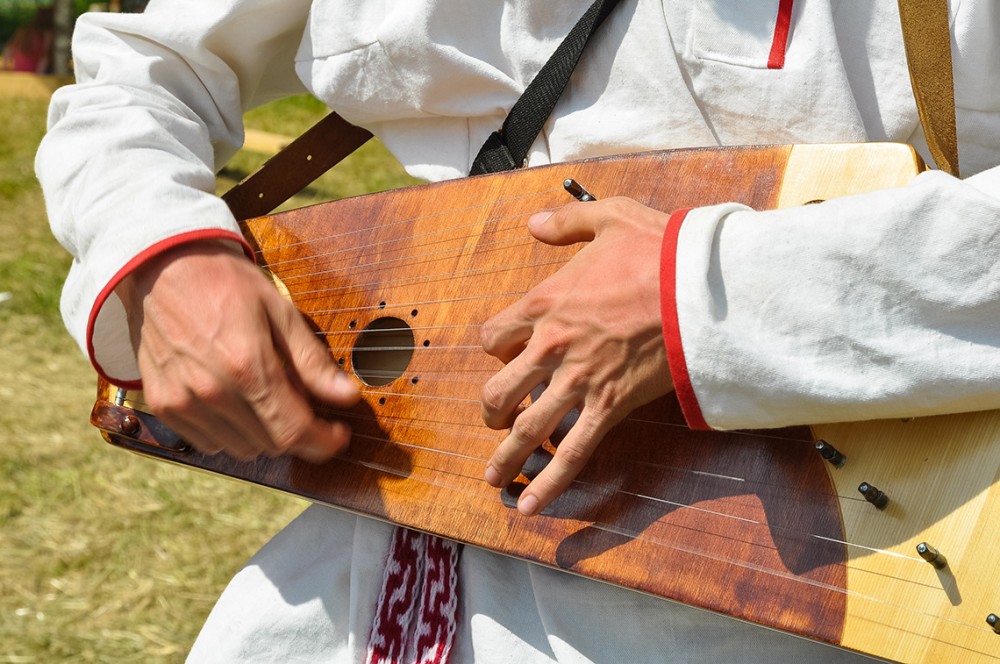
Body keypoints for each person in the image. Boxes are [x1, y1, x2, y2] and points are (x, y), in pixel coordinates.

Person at [35, 1, 1000, 662]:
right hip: (372, 568)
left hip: (797, 576)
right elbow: (142, 71)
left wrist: (705, 296)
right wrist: (162, 258)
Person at [1, 6, 54, 74]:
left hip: (19, 73)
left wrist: (5, 69)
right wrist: (38, 76)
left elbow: (7, 52)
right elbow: (44, 58)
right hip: (35, 74)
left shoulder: (23, 32)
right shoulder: (47, 35)